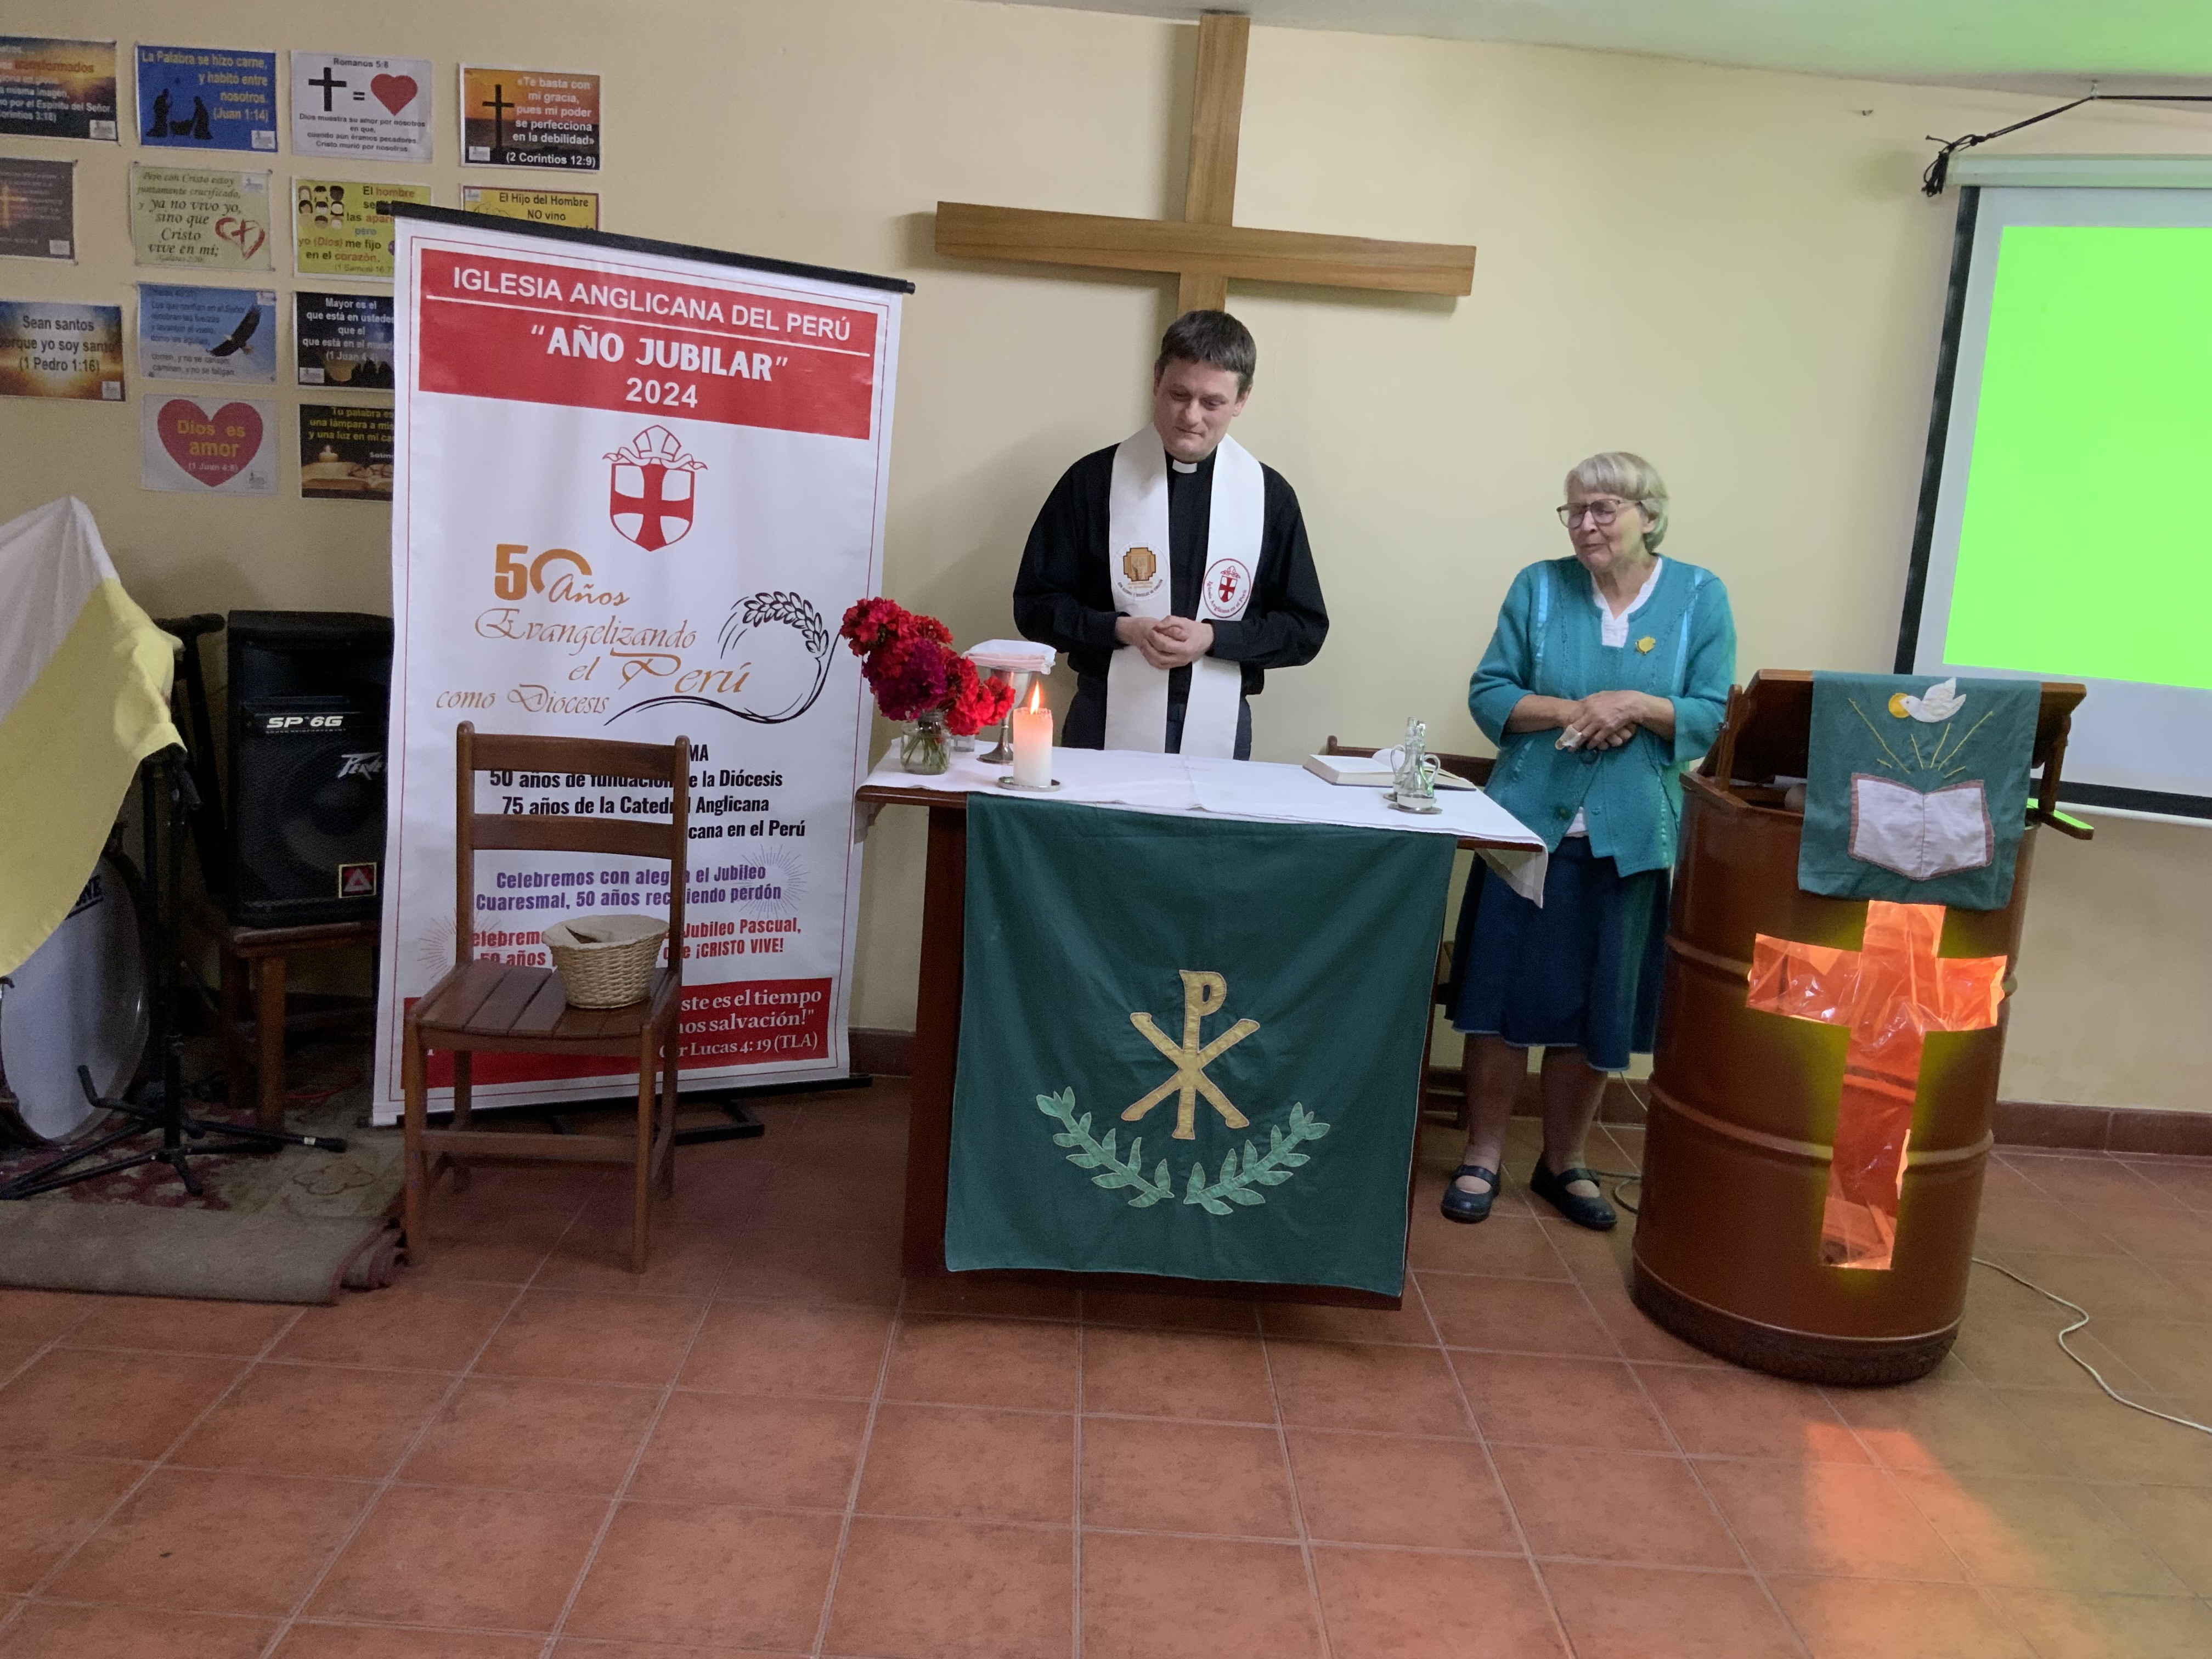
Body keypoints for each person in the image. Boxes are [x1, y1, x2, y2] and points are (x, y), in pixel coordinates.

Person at [1441, 452, 1735, 1228]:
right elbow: (1491, 692)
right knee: (1496, 1000)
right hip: (1527, 826)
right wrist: (1578, 709)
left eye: (1603, 509)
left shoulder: (1701, 596)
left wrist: (1636, 702)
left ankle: (1563, 1162)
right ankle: (1482, 1154)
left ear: (1650, 514)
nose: (1585, 525)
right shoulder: (1537, 587)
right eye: (1573, 511)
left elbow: (1711, 712)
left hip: (1633, 836)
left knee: (1596, 1007)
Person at [1012, 311, 1328, 759]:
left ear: (1242, 399)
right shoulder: (1092, 482)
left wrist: (1215, 639)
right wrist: (1121, 629)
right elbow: (1035, 606)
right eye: (1180, 394)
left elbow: (1305, 628)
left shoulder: (1267, 496)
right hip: (1104, 714)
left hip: (1221, 717)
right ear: (1157, 378)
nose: (1191, 416)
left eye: (1212, 402)